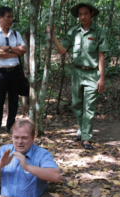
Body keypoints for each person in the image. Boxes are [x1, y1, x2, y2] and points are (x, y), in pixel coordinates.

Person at [48, 0, 109, 150]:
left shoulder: (99, 32)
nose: (83, 17)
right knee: (76, 104)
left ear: (92, 14)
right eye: (80, 14)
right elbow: (63, 50)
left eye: (86, 13)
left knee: (89, 106)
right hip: (76, 72)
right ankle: (82, 130)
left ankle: (86, 137)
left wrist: (101, 78)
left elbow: (101, 56)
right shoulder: (74, 31)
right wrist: (53, 36)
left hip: (92, 73)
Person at [0, 119, 61, 197]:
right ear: (12, 137)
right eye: (16, 137)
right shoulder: (5, 150)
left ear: (32, 138)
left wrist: (28, 167)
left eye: (24, 138)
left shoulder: (42, 154)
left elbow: (56, 176)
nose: (19, 142)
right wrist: (0, 164)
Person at [0, 6, 26, 134]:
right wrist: (15, 51)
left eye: (11, 17)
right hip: (0, 72)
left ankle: (10, 125)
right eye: (8, 16)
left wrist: (8, 48)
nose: (11, 19)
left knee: (13, 100)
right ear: (0, 18)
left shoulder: (16, 34)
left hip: (15, 71)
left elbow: (23, 50)